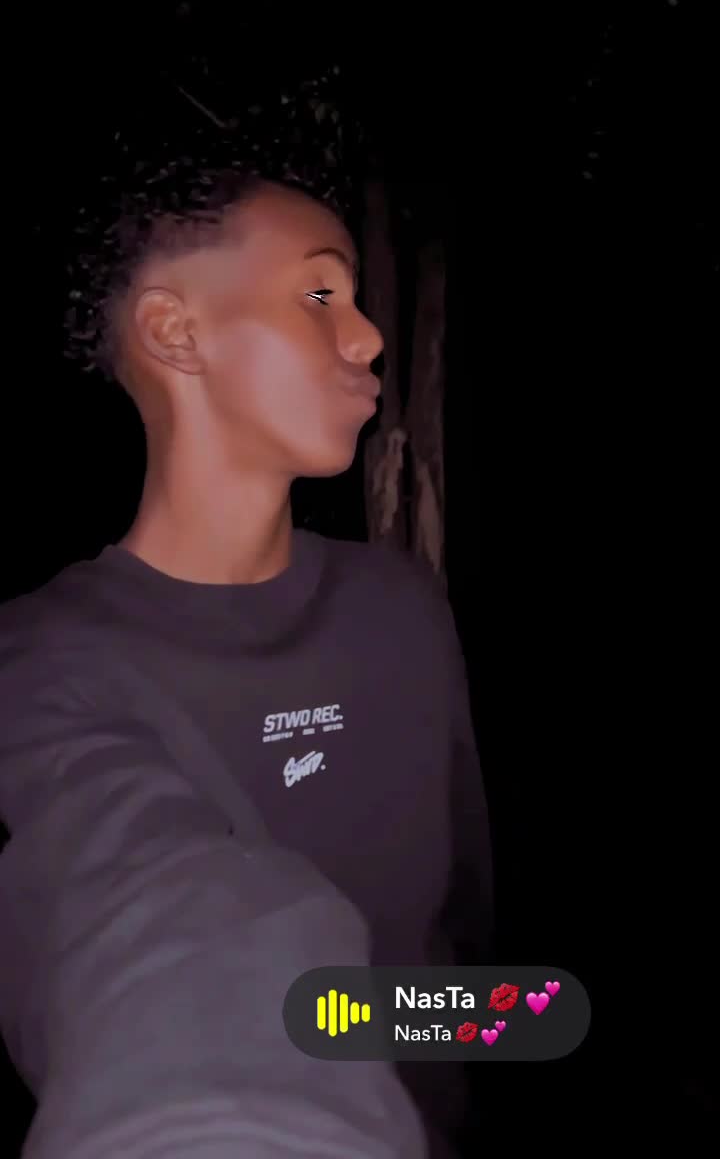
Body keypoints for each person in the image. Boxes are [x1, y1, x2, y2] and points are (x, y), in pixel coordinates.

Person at [0, 158, 493, 1158]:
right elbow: (148, 924)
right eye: (320, 294)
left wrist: (520, 1029)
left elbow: (466, 949)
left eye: (355, 299)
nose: (367, 335)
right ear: (175, 332)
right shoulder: (37, 662)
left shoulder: (401, 607)